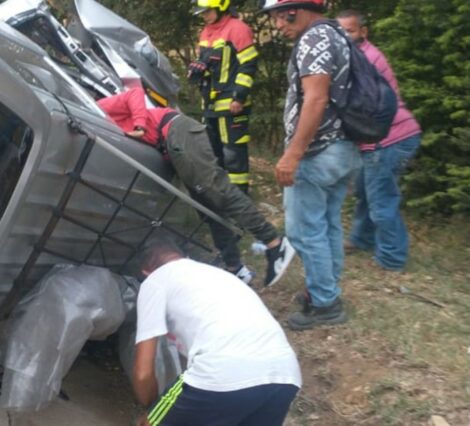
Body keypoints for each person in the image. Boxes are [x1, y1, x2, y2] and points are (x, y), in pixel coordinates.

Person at [98, 87, 295, 287]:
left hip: (175, 131)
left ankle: (274, 244)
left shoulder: (96, 108)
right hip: (169, 146)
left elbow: (135, 93)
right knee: (208, 208)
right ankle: (235, 269)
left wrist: (140, 125)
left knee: (216, 189)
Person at [261, 0, 362, 330]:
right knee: (328, 224)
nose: (278, 25)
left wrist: (293, 153)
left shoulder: (313, 39)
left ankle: (325, 303)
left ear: (295, 9)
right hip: (343, 148)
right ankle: (326, 292)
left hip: (318, 152)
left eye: (279, 16)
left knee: (304, 232)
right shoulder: (337, 34)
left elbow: (316, 99)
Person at [132, 237, 301, 426]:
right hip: (286, 375)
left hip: (223, 370)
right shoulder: (221, 276)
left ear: (146, 272)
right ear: (183, 257)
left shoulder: (156, 281)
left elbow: (143, 373)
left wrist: (150, 407)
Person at [336, 10, 422, 271]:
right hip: (380, 139)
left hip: (389, 139)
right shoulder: (356, 56)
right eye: (340, 32)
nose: (345, 37)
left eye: (350, 31)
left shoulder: (367, 60)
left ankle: (391, 258)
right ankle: (362, 239)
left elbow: (367, 110)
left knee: (381, 201)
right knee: (365, 191)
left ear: (363, 31)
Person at [189, 0, 259, 194]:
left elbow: (249, 65)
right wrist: (197, 69)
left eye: (208, 11)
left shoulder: (238, 29)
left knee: (234, 156)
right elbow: (208, 64)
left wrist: (239, 97)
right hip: (211, 106)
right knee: (213, 154)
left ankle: (241, 202)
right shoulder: (206, 31)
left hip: (232, 105)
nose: (204, 16)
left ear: (221, 7)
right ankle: (221, 198)